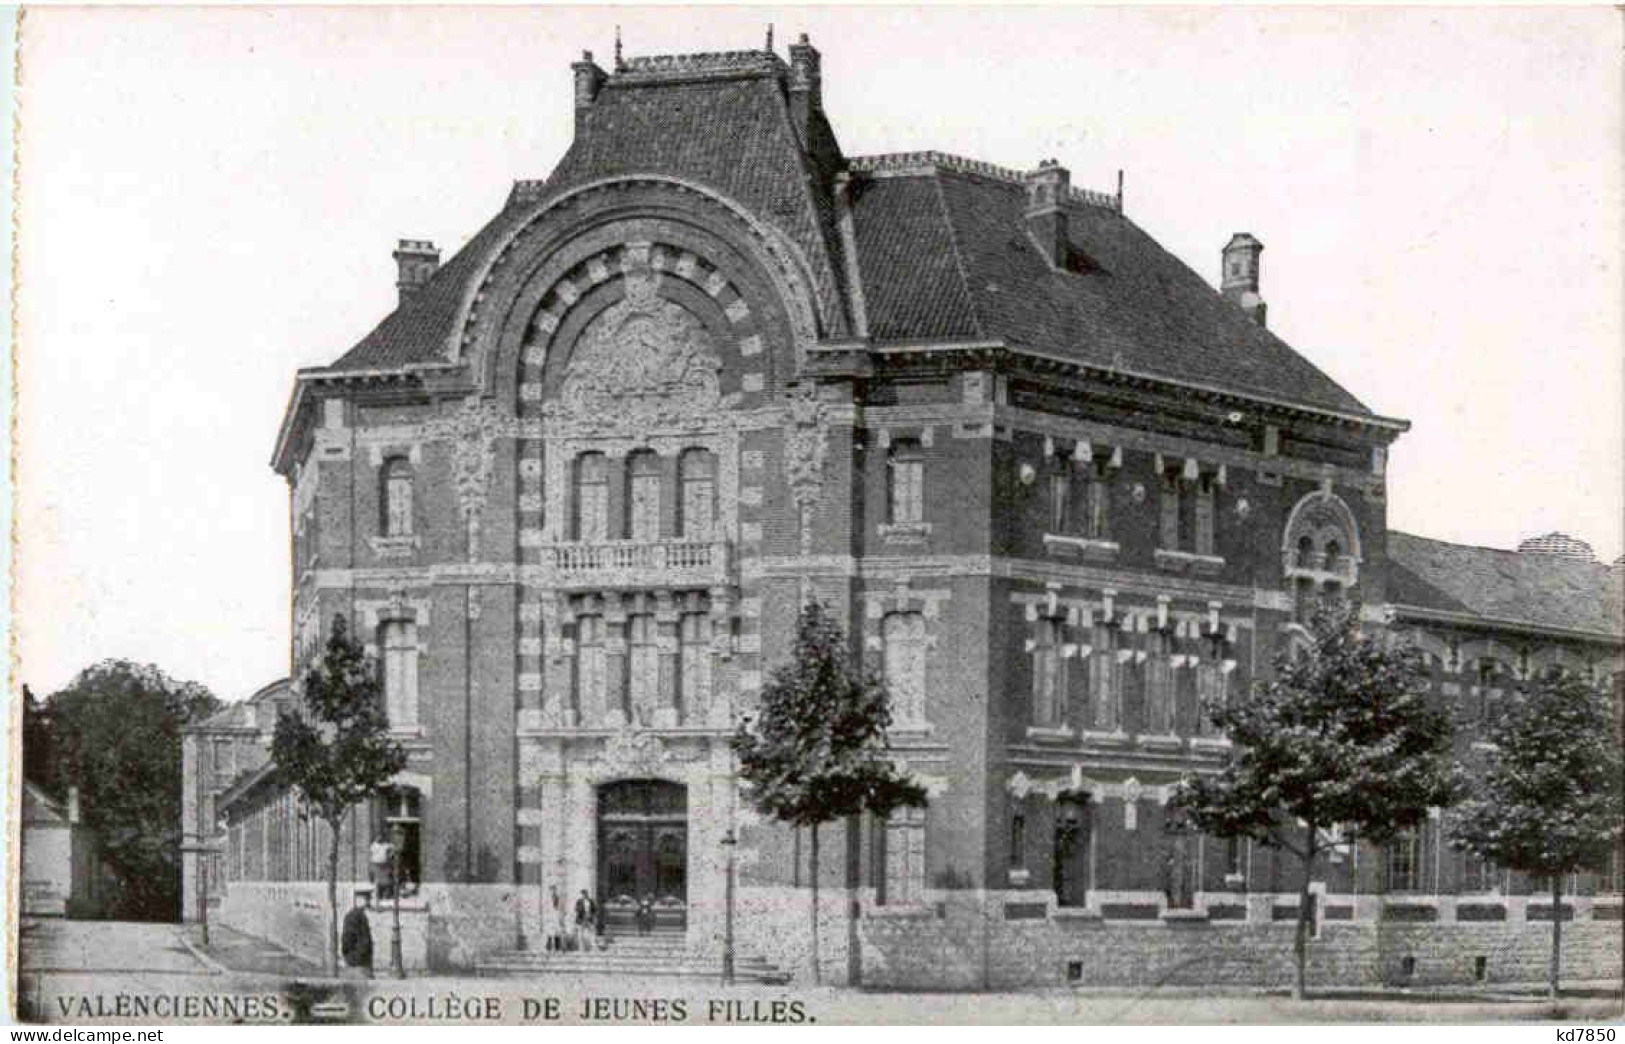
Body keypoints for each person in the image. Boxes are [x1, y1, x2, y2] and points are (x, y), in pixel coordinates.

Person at [341, 888, 374, 978]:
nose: (368, 902)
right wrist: (357, 956)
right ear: (358, 900)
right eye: (366, 899)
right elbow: (347, 940)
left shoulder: (360, 915)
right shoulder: (354, 916)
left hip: (361, 961)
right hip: (358, 963)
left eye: (368, 899)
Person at [369, 832, 394, 902]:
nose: (379, 838)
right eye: (377, 837)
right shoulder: (373, 845)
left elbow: (393, 848)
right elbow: (371, 854)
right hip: (376, 865)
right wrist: (371, 863)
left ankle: (386, 895)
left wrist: (390, 856)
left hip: (384, 865)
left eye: (380, 837)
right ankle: (378, 896)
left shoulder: (386, 845)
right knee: (377, 881)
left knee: (386, 881)